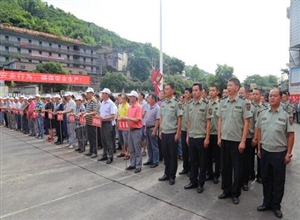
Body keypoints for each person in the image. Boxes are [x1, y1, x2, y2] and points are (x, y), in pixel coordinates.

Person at [256, 88, 295, 219]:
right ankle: (266, 202)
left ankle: (276, 205)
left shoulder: (285, 114)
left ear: (280, 97)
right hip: (265, 152)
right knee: (266, 179)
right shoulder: (263, 113)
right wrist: (259, 149)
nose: (271, 98)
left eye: (275, 96)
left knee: (278, 181)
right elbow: (259, 131)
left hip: (279, 153)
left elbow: (290, 135)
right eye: (270, 96)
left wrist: (288, 154)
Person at [217, 78, 252, 205]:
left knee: (237, 169)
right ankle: (226, 190)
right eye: (227, 85)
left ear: (237, 87)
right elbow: (220, 120)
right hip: (225, 140)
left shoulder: (244, 103)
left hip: (237, 141)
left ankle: (235, 193)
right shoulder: (223, 102)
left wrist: (243, 141)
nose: (228, 87)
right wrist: (219, 137)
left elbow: (247, 122)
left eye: (231, 85)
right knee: (225, 168)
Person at [184, 82, 212, 193]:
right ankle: (193, 181)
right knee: (193, 161)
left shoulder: (206, 104)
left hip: (201, 137)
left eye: (196, 90)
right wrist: (187, 135)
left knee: (202, 162)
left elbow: (208, 122)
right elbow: (189, 121)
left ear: (201, 91)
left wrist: (207, 138)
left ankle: (201, 183)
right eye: (193, 90)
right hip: (191, 136)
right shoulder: (189, 105)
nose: (194, 92)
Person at [158, 83, 183, 185]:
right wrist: (160, 130)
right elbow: (161, 117)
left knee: (173, 155)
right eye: (165, 89)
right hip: (164, 132)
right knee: (166, 154)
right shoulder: (163, 103)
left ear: (173, 90)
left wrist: (178, 133)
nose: (165, 91)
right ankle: (166, 173)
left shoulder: (177, 103)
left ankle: (172, 175)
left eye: (168, 89)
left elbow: (180, 118)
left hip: (173, 133)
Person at [122, 90, 143, 173]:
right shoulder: (130, 107)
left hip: (137, 130)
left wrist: (127, 118)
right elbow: (128, 118)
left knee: (137, 149)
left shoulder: (138, 107)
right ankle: (132, 163)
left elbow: (138, 119)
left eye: (131, 97)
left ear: (135, 98)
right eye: (129, 97)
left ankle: (138, 165)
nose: (130, 98)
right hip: (130, 130)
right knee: (131, 148)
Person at [250, 88, 266, 183]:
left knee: (260, 157)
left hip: (261, 136)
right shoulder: (248, 106)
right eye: (253, 94)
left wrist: (256, 137)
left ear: (260, 95)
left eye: (257, 94)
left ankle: (260, 175)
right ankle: (250, 174)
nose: (255, 96)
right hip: (250, 135)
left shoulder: (265, 108)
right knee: (249, 157)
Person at [206, 84, 220, 184]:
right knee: (208, 156)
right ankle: (209, 174)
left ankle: (216, 175)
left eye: (213, 90)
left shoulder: (221, 104)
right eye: (210, 90)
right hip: (208, 133)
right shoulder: (207, 104)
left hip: (217, 134)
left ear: (217, 92)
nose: (211, 92)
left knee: (217, 156)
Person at [97, 88, 116, 164]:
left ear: (107, 94)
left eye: (103, 93)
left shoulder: (111, 104)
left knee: (109, 141)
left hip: (108, 123)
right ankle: (104, 154)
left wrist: (103, 118)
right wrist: (98, 116)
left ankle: (110, 156)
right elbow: (100, 113)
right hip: (102, 123)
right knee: (103, 140)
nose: (102, 95)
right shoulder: (102, 102)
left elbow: (112, 116)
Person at [143, 94, 160, 168]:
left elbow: (158, 120)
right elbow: (146, 119)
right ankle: (150, 159)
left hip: (153, 128)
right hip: (148, 128)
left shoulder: (157, 108)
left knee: (154, 146)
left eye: (149, 98)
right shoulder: (149, 107)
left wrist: (154, 130)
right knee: (149, 146)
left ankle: (155, 161)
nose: (148, 100)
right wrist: (145, 128)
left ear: (153, 99)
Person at [179, 87, 192, 176]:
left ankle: (191, 169)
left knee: (191, 151)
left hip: (190, 130)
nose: (185, 94)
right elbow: (180, 118)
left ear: (190, 94)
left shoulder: (193, 104)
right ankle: (185, 167)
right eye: (184, 92)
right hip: (183, 129)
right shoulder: (182, 105)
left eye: (187, 92)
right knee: (184, 150)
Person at [83, 87, 98, 158]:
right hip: (88, 122)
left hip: (92, 122)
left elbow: (95, 112)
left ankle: (95, 152)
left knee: (93, 138)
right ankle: (91, 150)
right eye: (86, 93)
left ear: (91, 93)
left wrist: (87, 114)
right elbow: (87, 110)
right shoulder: (88, 101)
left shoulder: (94, 101)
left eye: (88, 93)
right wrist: (83, 113)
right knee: (89, 138)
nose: (87, 94)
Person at [116, 94, 130, 159]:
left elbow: (128, 116)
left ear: (125, 99)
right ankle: (123, 151)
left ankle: (128, 153)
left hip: (126, 125)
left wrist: (122, 118)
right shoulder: (120, 106)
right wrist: (118, 117)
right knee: (121, 139)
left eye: (122, 98)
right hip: (120, 124)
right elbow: (118, 114)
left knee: (126, 139)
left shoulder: (128, 106)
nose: (120, 99)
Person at [138, 92, 150, 157]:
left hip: (143, 123)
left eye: (139, 95)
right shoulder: (138, 103)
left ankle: (144, 150)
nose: (138, 96)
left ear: (142, 96)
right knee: (140, 137)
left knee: (143, 137)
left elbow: (144, 113)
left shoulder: (145, 104)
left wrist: (137, 117)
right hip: (138, 123)